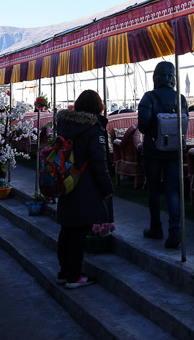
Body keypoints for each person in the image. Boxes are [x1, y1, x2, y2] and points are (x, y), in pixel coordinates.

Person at [54, 90, 115, 289]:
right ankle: (74, 276)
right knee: (79, 233)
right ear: (98, 106)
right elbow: (99, 162)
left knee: (67, 229)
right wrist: (106, 188)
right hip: (85, 184)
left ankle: (64, 273)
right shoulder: (93, 128)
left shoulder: (65, 124)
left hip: (66, 181)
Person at [139, 61, 188, 249]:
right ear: (173, 77)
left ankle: (156, 228)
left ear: (156, 76)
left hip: (152, 150)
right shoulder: (180, 98)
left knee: (153, 189)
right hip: (174, 150)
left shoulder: (148, 98)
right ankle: (175, 230)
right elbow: (184, 125)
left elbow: (143, 125)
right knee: (172, 190)